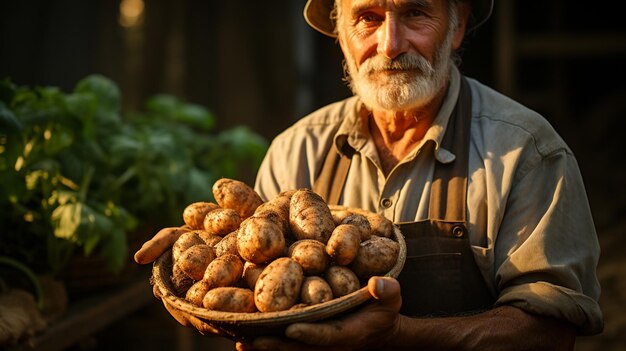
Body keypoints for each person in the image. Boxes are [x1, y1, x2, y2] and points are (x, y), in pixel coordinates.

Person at [135, 0, 604, 349]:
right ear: (340, 33)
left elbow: (552, 330)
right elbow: (256, 282)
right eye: (368, 17)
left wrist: (399, 337)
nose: (390, 45)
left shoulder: (526, 151)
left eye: (415, 13)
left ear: (456, 26)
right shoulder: (296, 149)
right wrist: (206, 250)